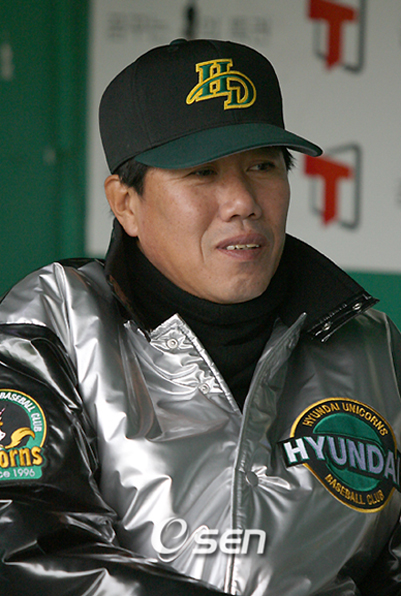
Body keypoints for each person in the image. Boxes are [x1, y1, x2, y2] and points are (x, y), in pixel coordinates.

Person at [0, 38, 400, 596]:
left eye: (263, 165)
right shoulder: (58, 323)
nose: (242, 201)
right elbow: (24, 547)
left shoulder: (372, 347)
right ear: (126, 203)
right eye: (202, 172)